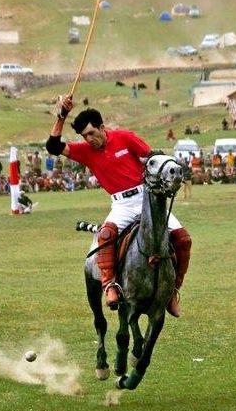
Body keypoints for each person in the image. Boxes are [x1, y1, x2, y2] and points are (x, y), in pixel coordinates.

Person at [46, 96, 192, 317]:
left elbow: (151, 159)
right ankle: (110, 285)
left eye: (92, 133)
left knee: (183, 239)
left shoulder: (125, 138)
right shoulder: (85, 151)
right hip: (121, 204)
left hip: (147, 199)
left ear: (102, 127)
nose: (89, 139)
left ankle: (172, 291)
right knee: (105, 235)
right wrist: (62, 115)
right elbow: (53, 146)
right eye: (85, 136)